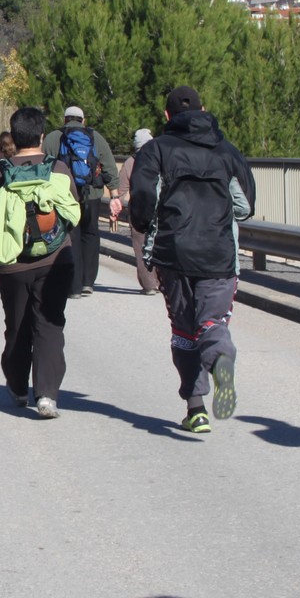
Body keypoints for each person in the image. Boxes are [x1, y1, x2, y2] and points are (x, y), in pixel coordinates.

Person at [128, 85, 256, 435]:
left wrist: (145, 227)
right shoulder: (226, 151)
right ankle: (220, 358)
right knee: (212, 322)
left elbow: (144, 200)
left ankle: (196, 409)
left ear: (167, 116)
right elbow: (245, 207)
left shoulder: (156, 150)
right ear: (203, 110)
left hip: (174, 254)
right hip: (219, 254)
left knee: (184, 332)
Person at [0, 106, 79, 419]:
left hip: (13, 264)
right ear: (41, 136)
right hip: (56, 260)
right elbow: (72, 211)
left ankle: (18, 386)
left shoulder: (2, 170)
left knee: (17, 326)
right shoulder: (58, 168)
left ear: (14, 135)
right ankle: (47, 395)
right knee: (50, 325)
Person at [44, 106, 122, 297]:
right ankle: (88, 282)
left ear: (65, 120)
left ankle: (74, 286)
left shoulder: (53, 138)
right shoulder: (95, 137)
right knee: (91, 235)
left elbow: (43, 167)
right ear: (83, 120)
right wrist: (114, 196)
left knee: (72, 237)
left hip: (65, 197)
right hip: (92, 194)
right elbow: (110, 167)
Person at [119, 128, 160, 294]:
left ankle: (149, 285)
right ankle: (160, 282)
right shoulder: (160, 159)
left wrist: (116, 203)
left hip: (137, 209)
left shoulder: (129, 163)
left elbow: (121, 190)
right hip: (159, 209)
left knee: (140, 247)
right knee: (159, 244)